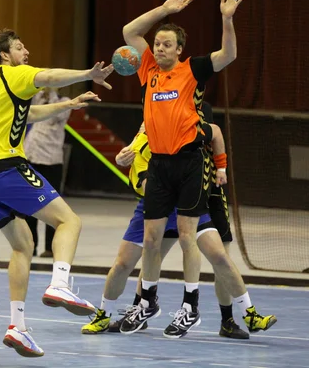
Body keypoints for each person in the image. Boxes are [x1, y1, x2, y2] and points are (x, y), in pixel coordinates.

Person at [0, 28, 114, 357]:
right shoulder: (15, 73)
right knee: (69, 222)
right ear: (5, 55)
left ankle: (17, 328)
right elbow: (48, 77)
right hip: (4, 167)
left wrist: (70, 103)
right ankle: (60, 284)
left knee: (23, 246)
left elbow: (28, 114)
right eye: (20, 47)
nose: (26, 52)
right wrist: (87, 74)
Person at [119, 0, 255, 333]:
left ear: (179, 50)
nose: (160, 48)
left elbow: (228, 55)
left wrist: (227, 19)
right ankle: (147, 301)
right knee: (150, 240)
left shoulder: (192, 70)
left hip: (190, 163)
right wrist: (164, 9)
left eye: (167, 44)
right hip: (159, 166)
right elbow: (130, 32)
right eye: (158, 43)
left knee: (185, 237)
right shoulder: (147, 68)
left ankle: (190, 306)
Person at [82, 111, 276, 339]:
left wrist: (221, 168)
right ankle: (109, 313)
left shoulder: (187, 133)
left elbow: (216, 133)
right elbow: (144, 186)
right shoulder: (142, 147)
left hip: (187, 204)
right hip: (158, 204)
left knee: (220, 257)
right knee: (126, 262)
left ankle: (248, 314)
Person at [24, 88, 71, 258]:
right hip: (31, 158)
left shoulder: (64, 102)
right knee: (29, 206)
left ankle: (51, 248)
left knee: (52, 207)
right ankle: (30, 246)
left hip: (51, 162)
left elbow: (57, 114)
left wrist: (51, 93)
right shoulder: (38, 101)